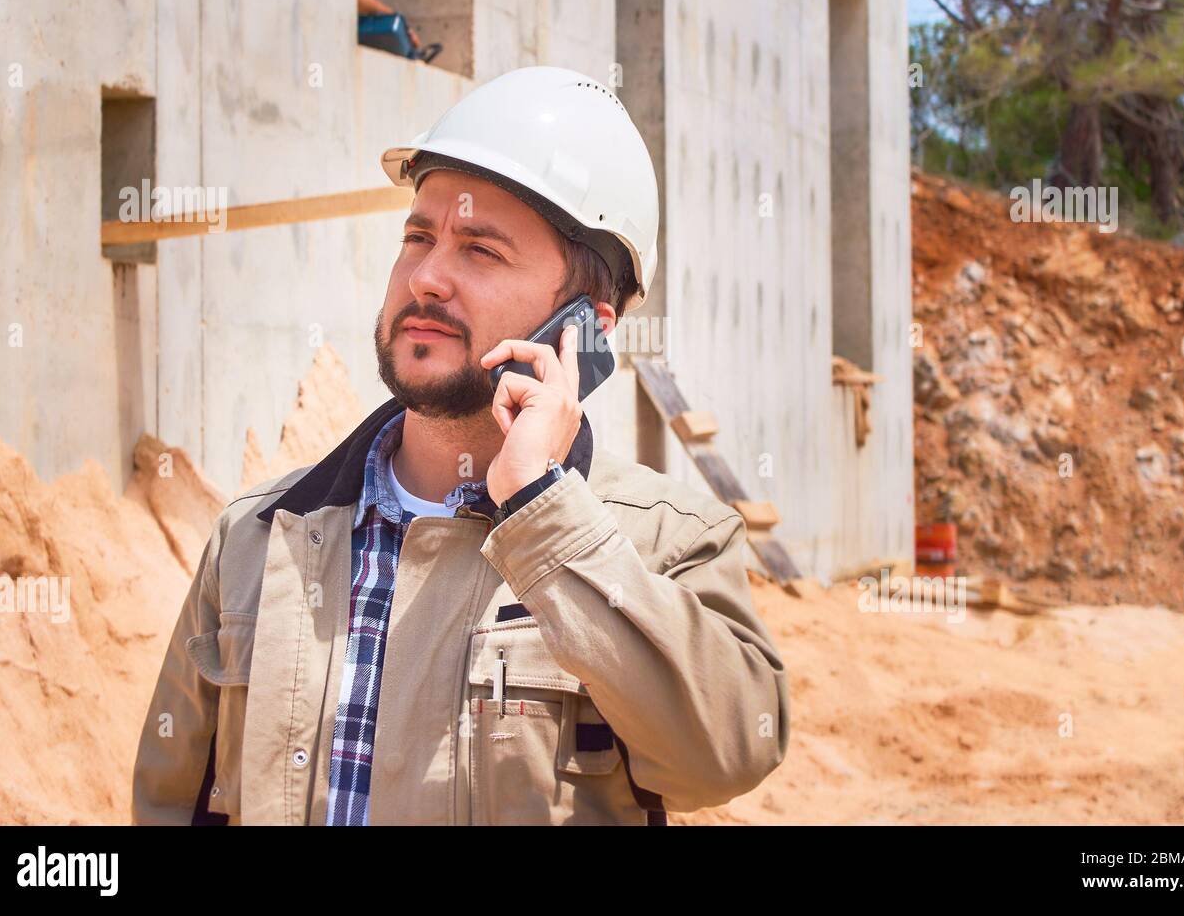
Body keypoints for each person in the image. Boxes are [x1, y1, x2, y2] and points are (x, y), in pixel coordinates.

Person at [131, 66, 789, 825]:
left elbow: (731, 751)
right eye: (418, 236)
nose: (428, 276)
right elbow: (166, 801)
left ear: (588, 329)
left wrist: (543, 511)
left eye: (480, 249)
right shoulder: (256, 535)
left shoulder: (667, 540)